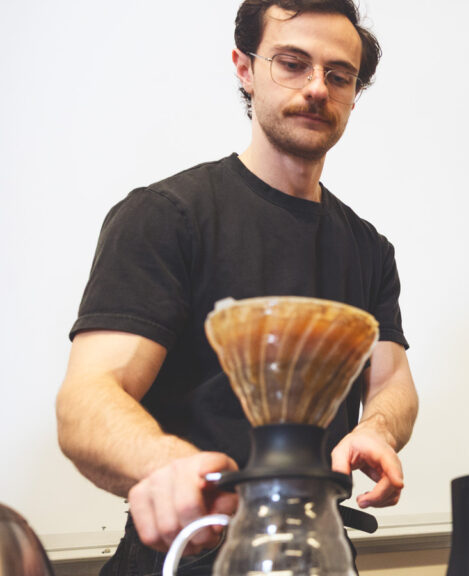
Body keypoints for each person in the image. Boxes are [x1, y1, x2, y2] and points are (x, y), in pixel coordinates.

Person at [55, 1, 418, 575]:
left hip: (319, 556)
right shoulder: (167, 216)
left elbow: (392, 378)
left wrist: (377, 428)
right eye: (292, 63)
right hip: (183, 555)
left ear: (354, 92)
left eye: (338, 74)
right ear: (245, 68)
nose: (317, 88)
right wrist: (166, 463)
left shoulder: (369, 249)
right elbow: (87, 398)